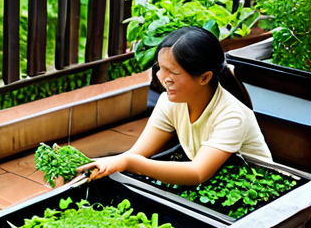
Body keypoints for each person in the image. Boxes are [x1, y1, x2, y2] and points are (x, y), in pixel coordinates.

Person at [78, 26, 272, 185]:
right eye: (160, 69)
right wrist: (108, 163)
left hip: (255, 186)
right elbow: (137, 153)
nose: (162, 79)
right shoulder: (170, 102)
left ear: (204, 77)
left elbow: (197, 173)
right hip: (219, 182)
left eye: (172, 72)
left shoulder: (231, 116)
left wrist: (129, 162)